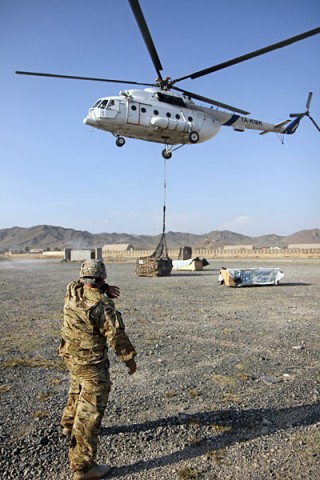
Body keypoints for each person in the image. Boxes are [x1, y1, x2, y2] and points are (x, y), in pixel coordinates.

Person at [58, 259, 137, 480]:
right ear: (102, 278)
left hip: (71, 356)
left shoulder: (72, 292)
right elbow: (116, 336)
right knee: (90, 412)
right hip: (92, 363)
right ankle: (82, 467)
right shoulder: (102, 306)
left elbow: (81, 282)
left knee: (76, 387)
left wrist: (101, 287)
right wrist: (130, 361)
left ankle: (67, 425)